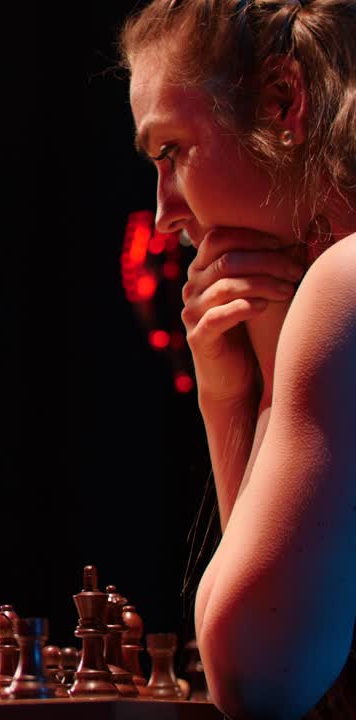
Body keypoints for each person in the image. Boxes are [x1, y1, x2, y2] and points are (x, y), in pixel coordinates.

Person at [119, 0, 356, 716]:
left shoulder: (345, 282)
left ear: (285, 103)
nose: (163, 214)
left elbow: (257, 676)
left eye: (171, 152)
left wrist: (256, 394)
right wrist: (230, 395)